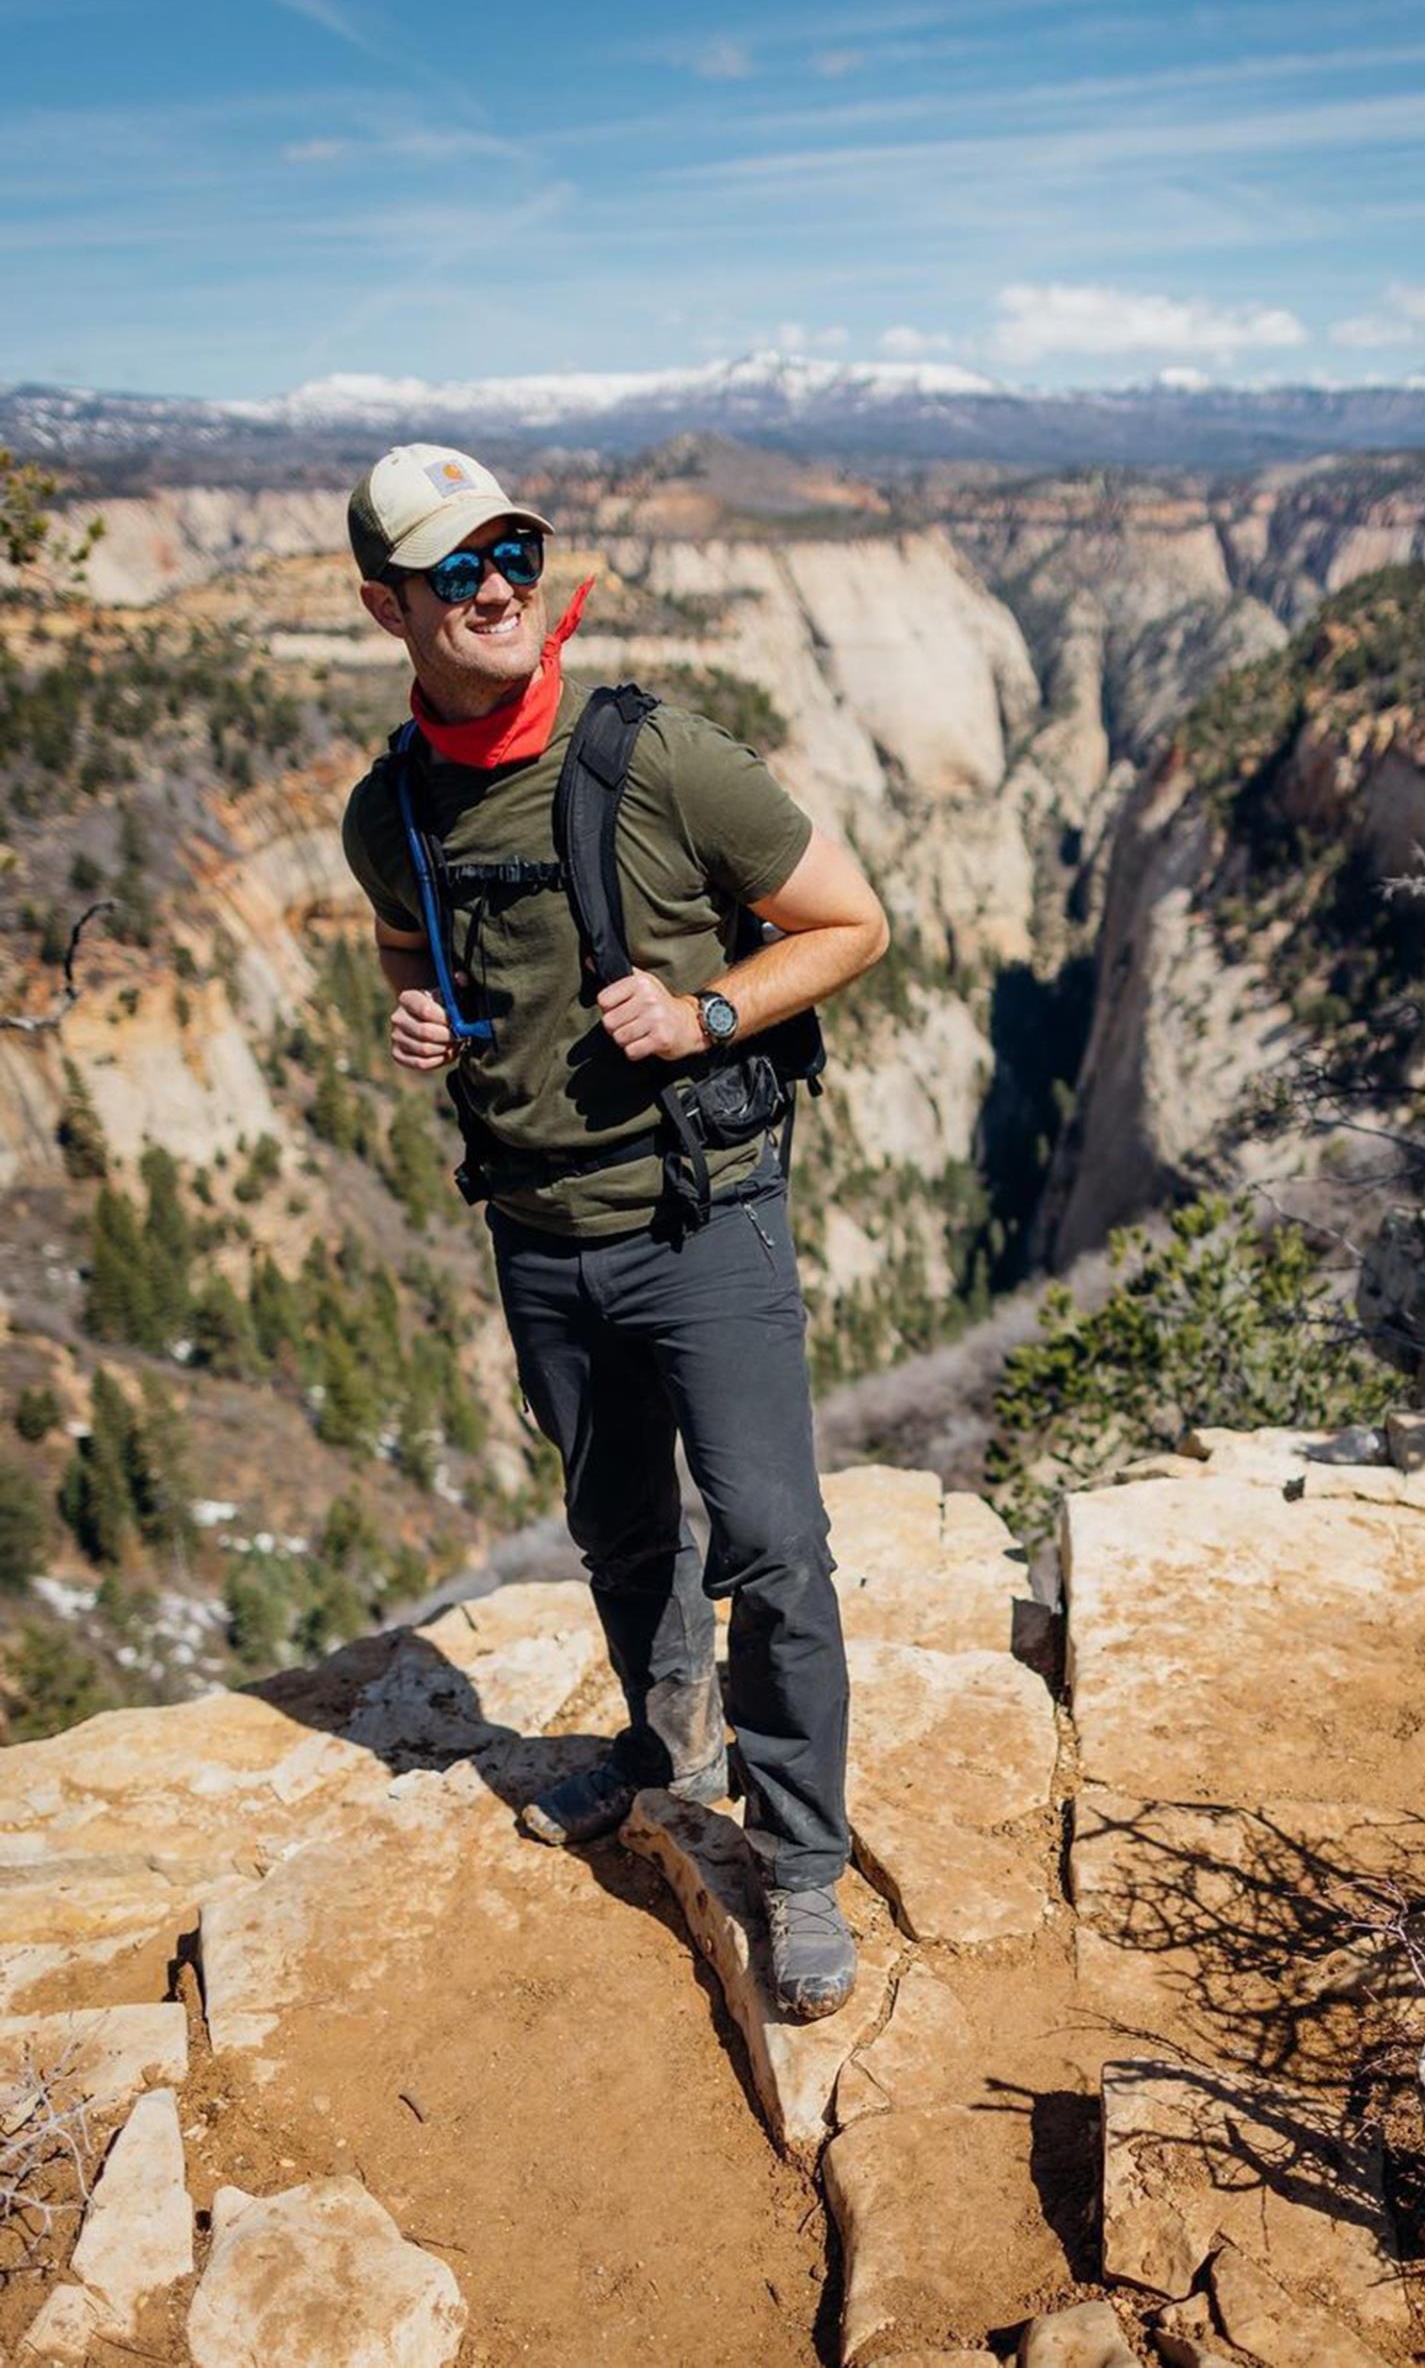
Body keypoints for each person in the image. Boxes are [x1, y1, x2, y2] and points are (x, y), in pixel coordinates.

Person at [337, 443, 888, 2020]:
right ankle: (666, 1745)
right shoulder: (395, 808)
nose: (500, 587)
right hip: (535, 1231)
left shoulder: (657, 758)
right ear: (390, 607)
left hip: (698, 1216)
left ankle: (794, 1864)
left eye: (512, 553)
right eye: (458, 572)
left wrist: (711, 1006)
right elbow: (402, 936)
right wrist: (413, 1008)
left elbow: (854, 921)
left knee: (776, 1544)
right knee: (621, 1529)